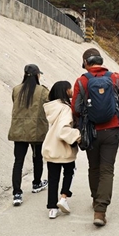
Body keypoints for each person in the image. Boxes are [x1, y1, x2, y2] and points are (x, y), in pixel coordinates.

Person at [72, 48, 119, 227]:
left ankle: (95, 199)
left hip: (91, 132)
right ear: (101, 61)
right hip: (112, 130)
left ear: (85, 63)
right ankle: (100, 211)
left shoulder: (81, 81)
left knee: (94, 168)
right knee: (107, 170)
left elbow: (75, 109)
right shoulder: (114, 78)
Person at [8, 64, 49, 206]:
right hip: (36, 130)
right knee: (37, 158)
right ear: (38, 75)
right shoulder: (42, 91)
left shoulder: (16, 90)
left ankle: (17, 193)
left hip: (18, 130)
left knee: (18, 161)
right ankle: (37, 183)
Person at [42, 80, 81, 219]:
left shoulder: (51, 107)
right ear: (65, 91)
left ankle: (52, 208)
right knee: (69, 172)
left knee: (53, 178)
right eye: (70, 89)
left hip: (51, 148)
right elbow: (63, 130)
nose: (72, 91)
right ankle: (63, 198)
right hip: (64, 149)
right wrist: (78, 135)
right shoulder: (65, 109)